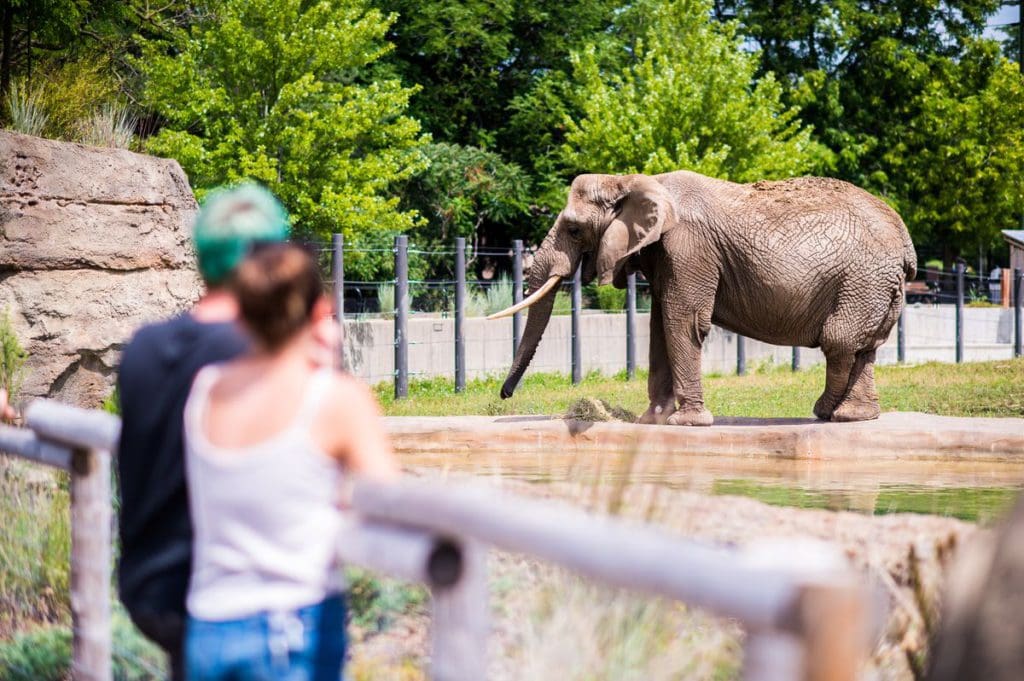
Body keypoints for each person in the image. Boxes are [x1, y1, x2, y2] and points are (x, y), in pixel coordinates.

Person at [182, 242, 398, 681]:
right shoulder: (336, 398)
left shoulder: (204, 389)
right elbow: (390, 503)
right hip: (290, 628)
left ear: (239, 312)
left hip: (207, 625)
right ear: (320, 310)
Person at [116, 184, 290, 680]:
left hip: (149, 589)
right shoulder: (259, 355)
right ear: (270, 259)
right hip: (232, 597)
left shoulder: (143, 348)